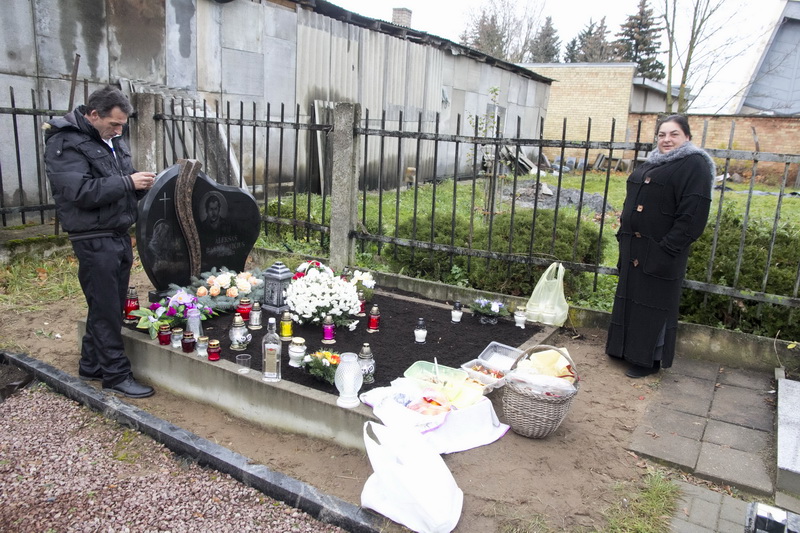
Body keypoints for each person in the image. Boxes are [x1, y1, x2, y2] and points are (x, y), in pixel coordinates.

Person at [44, 85, 156, 398]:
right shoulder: (65, 142)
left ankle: (91, 364)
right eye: (114, 124)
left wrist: (141, 185)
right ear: (94, 114)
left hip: (116, 233)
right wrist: (127, 182)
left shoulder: (109, 140)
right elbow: (80, 192)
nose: (119, 131)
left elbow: (118, 182)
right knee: (107, 309)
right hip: (93, 237)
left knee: (107, 305)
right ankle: (116, 376)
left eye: (122, 125)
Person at [606, 115, 715, 378]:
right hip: (634, 248)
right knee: (632, 300)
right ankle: (624, 350)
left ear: (687, 137)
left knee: (654, 305)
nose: (667, 140)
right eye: (662, 134)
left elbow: (693, 215)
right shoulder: (654, 162)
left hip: (661, 251)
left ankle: (648, 360)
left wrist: (667, 248)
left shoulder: (695, 163)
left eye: (674, 134)